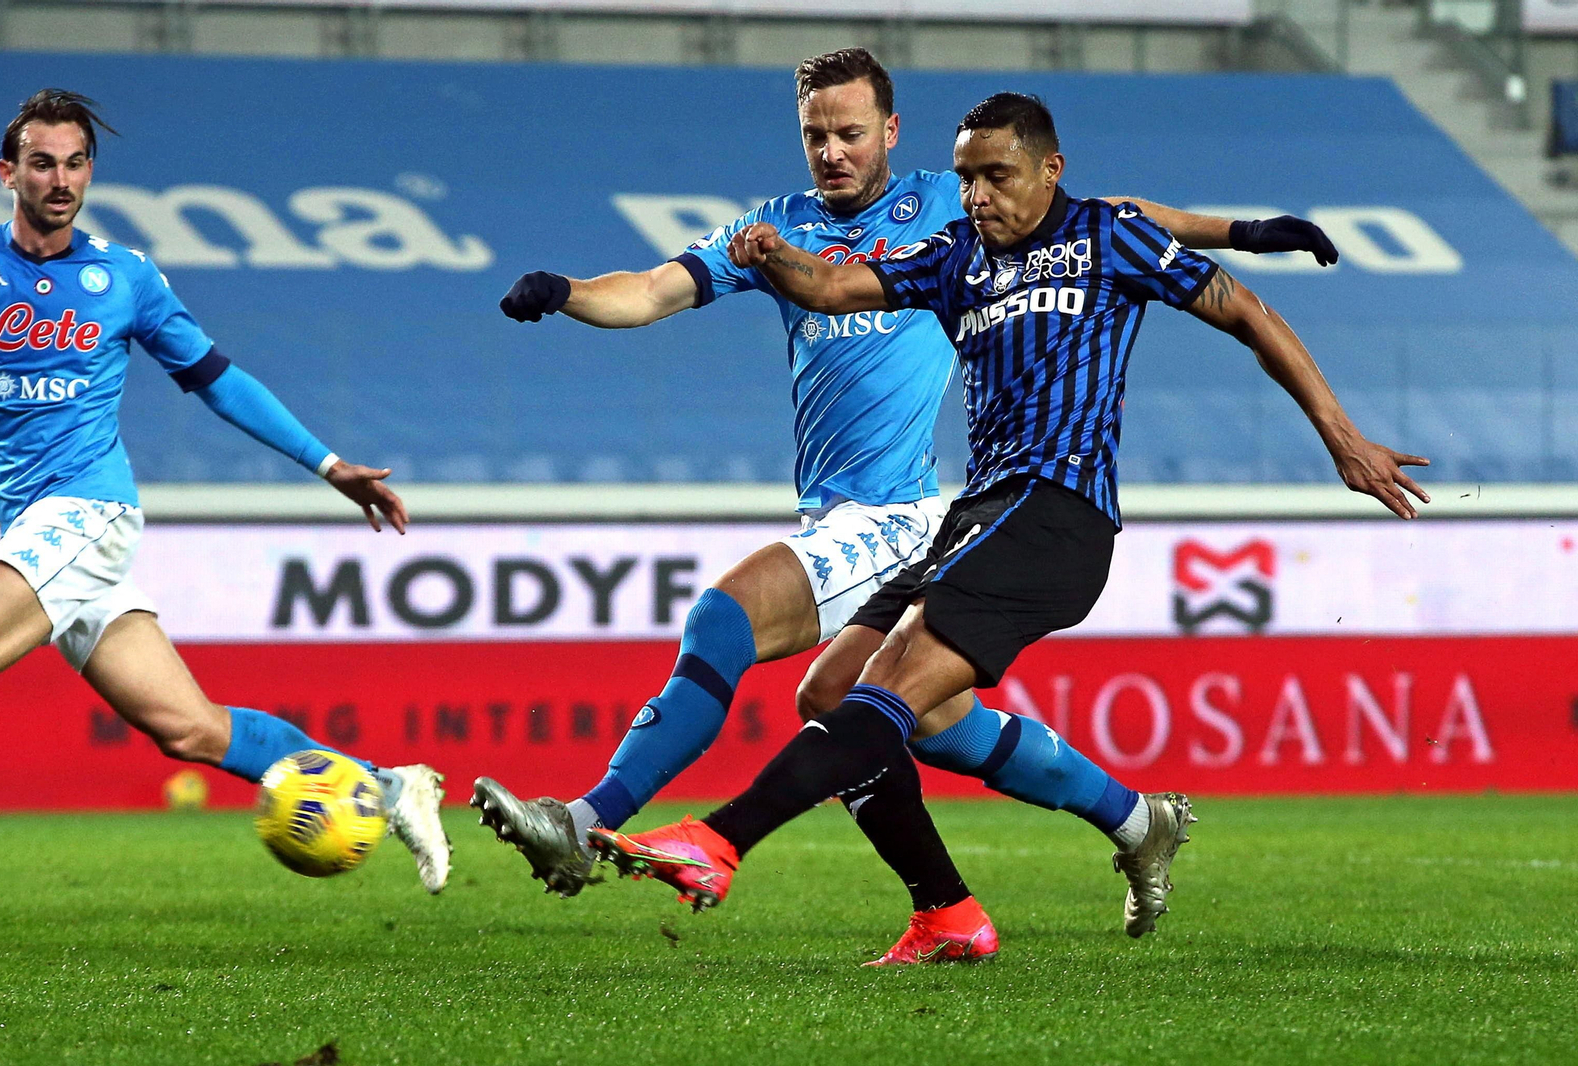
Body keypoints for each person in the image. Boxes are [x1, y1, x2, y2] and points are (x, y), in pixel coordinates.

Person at [475, 48, 1337, 905]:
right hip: (840, 514)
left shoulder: (952, 204)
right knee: (919, 719)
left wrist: (1243, 232)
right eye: (815, 134)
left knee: (723, 622)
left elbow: (1109, 214)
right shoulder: (777, 228)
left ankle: (587, 822)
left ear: (888, 130)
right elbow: (652, 291)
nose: (832, 151)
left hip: (901, 512)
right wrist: (569, 292)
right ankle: (1108, 829)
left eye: (850, 132)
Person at [0, 89, 452, 892]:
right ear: (9, 173)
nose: (61, 179)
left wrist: (327, 463)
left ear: (92, 171)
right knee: (190, 732)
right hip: (32, 533)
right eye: (43, 163)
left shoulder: (123, 277)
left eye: (76, 162)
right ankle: (385, 783)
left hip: (87, 514)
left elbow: (216, 380)